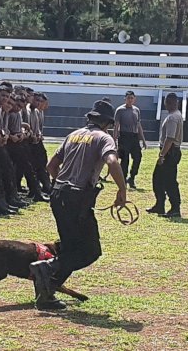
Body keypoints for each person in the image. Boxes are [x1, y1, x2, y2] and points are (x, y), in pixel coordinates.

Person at [29, 100, 126, 310]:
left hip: (58, 195)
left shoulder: (73, 135)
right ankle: (46, 268)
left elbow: (51, 166)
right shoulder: (103, 138)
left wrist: (62, 184)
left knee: (71, 248)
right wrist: (122, 190)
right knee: (90, 251)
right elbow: (112, 161)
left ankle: (47, 292)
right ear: (107, 123)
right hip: (77, 199)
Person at [147, 93, 183, 218]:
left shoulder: (173, 118)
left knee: (168, 181)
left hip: (170, 151)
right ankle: (160, 204)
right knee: (160, 179)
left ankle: (174, 207)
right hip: (172, 151)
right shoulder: (177, 115)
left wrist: (162, 155)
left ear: (167, 102)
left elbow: (170, 138)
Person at [114, 91, 146, 189]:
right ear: (125, 99)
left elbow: (138, 125)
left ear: (134, 99)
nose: (130, 100)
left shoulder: (136, 110)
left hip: (134, 136)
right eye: (128, 98)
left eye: (132, 98)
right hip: (124, 136)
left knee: (138, 157)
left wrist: (143, 139)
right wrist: (114, 140)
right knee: (125, 159)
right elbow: (116, 126)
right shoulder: (120, 110)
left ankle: (132, 177)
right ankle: (123, 179)